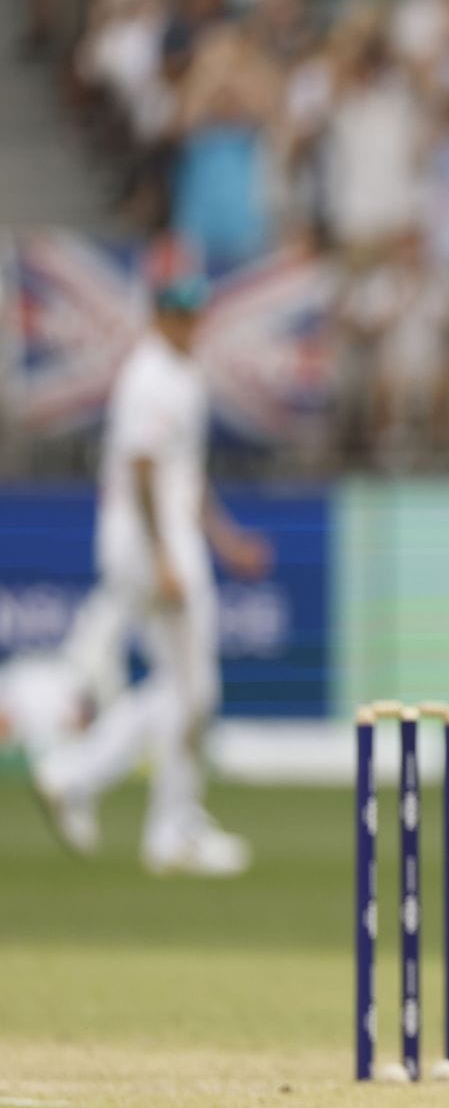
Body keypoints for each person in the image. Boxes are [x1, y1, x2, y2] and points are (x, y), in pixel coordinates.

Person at [30, 270, 272, 876]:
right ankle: (168, 828)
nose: (190, 323)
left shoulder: (182, 374)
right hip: (149, 543)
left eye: (195, 312)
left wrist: (226, 540)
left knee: (183, 691)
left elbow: (182, 474)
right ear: (158, 316)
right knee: (193, 692)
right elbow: (141, 468)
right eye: (178, 313)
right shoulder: (152, 377)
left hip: (161, 539)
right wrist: (164, 553)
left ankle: (80, 778)